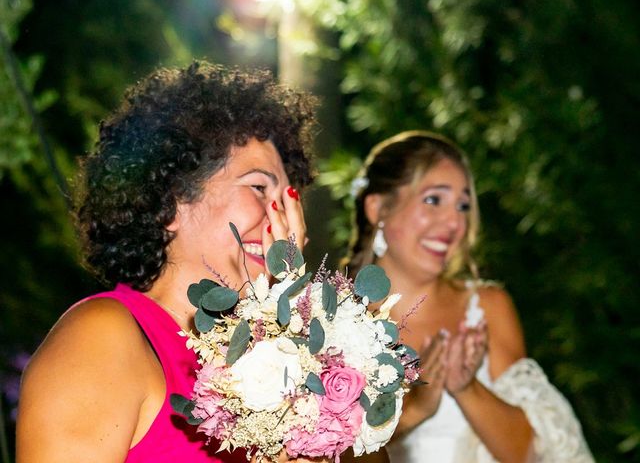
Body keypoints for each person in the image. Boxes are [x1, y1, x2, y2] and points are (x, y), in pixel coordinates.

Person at [16, 61, 331, 462]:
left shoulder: (268, 364)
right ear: (172, 200)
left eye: (288, 199)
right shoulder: (102, 337)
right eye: (258, 187)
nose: (281, 218)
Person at [343, 131, 594, 463]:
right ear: (378, 208)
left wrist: (466, 388)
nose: (453, 222)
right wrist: (414, 411)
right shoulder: (329, 320)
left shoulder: (488, 308)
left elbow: (530, 452)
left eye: (463, 205)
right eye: (434, 200)